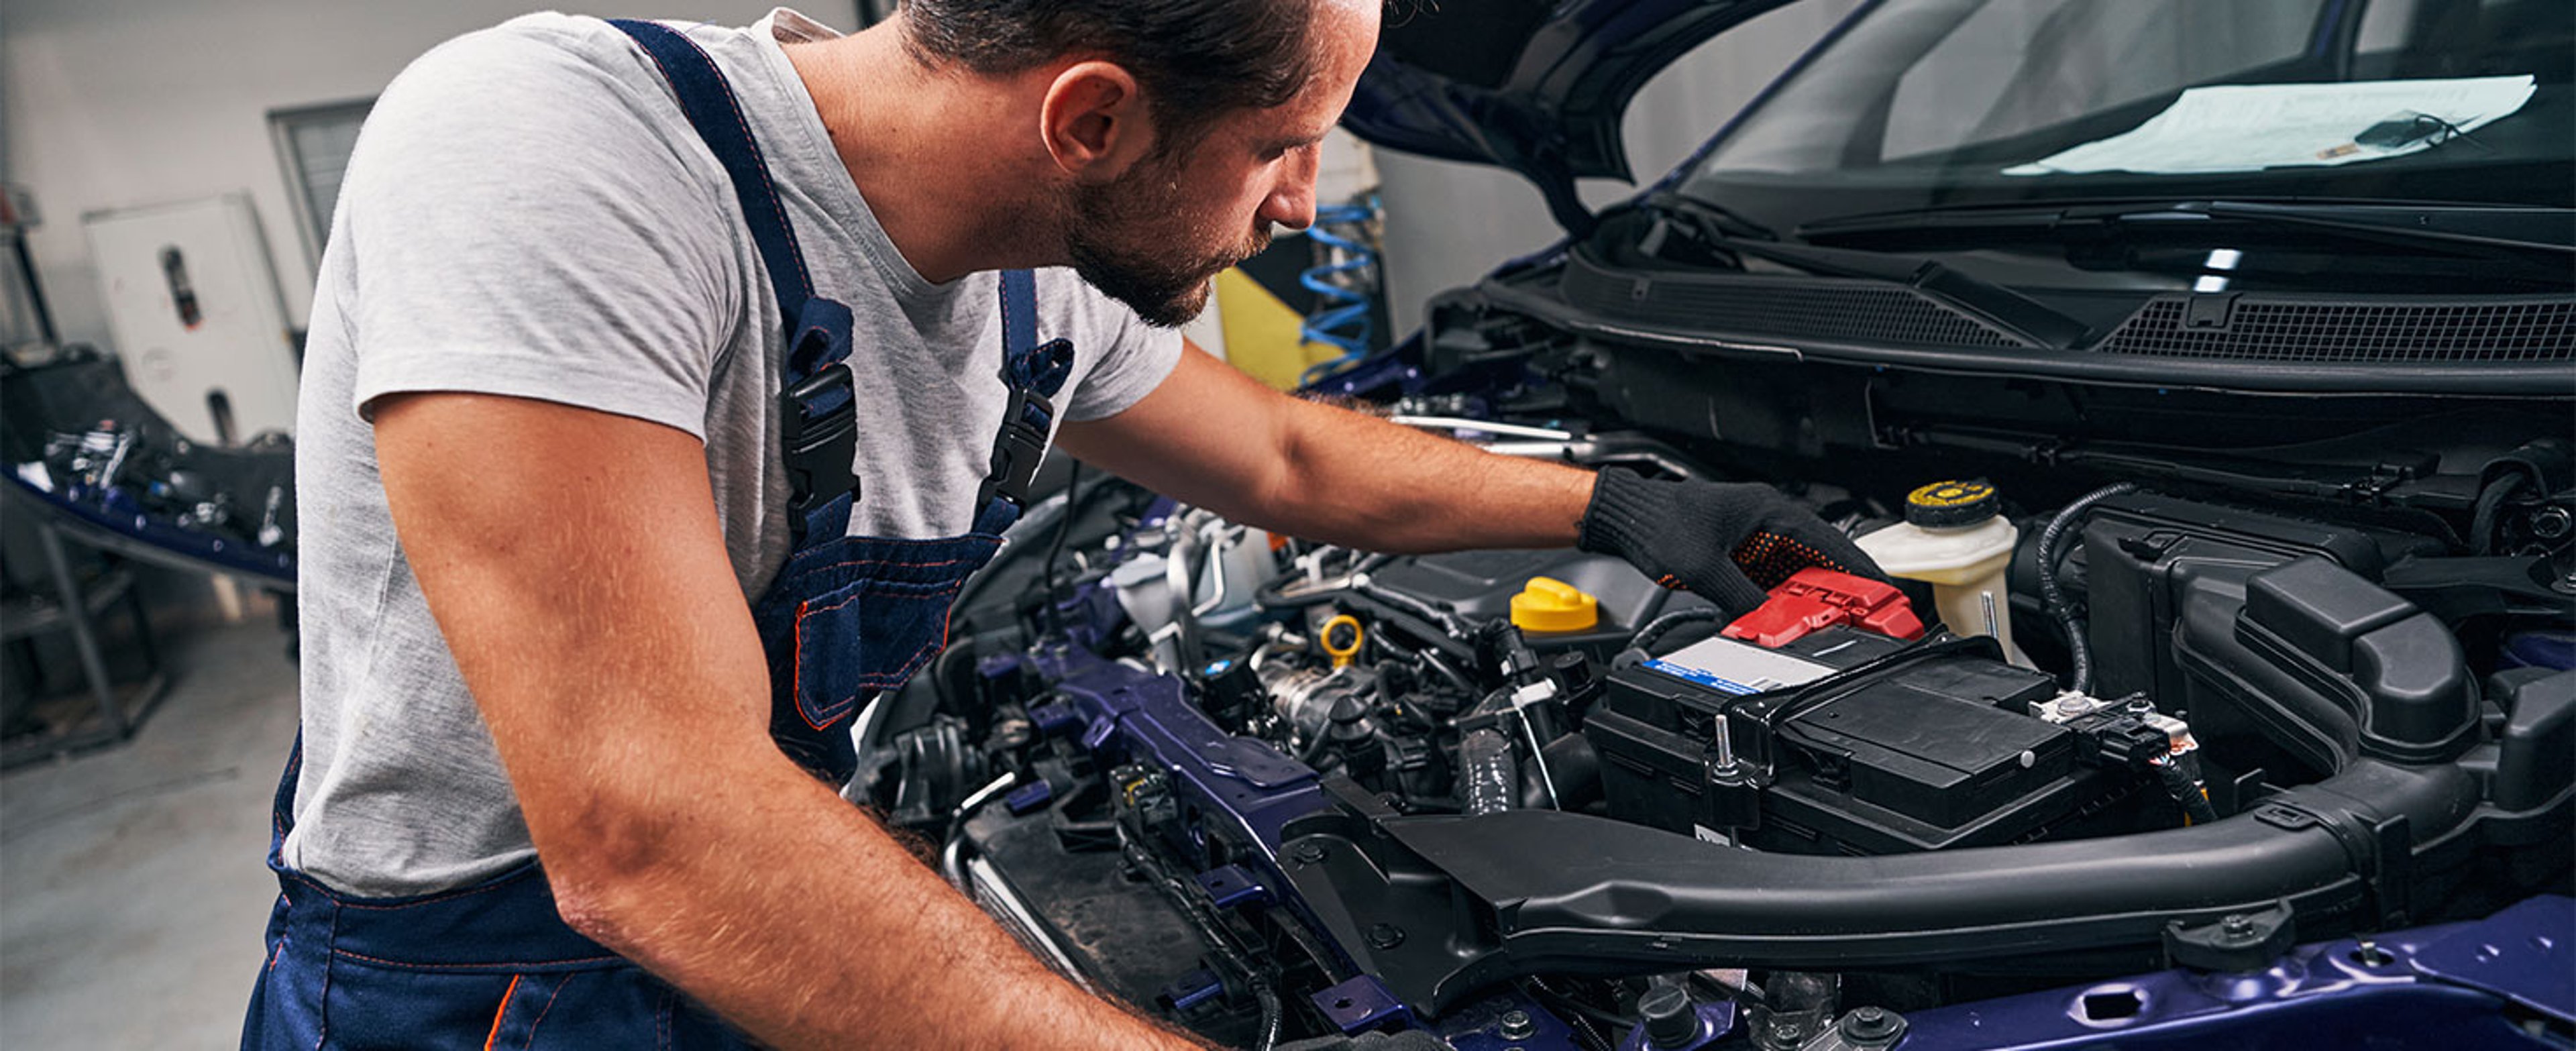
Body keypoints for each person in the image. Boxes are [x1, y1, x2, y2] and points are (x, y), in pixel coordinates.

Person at [238, 2, 1880, 1048]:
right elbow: (648, 833)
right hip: (476, 993)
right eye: (1280, 145)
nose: (1304, 199)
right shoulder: (559, 146)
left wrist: (1626, 503)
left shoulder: (1033, 279)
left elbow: (1290, 467)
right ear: (1089, 120)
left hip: (770, 931)